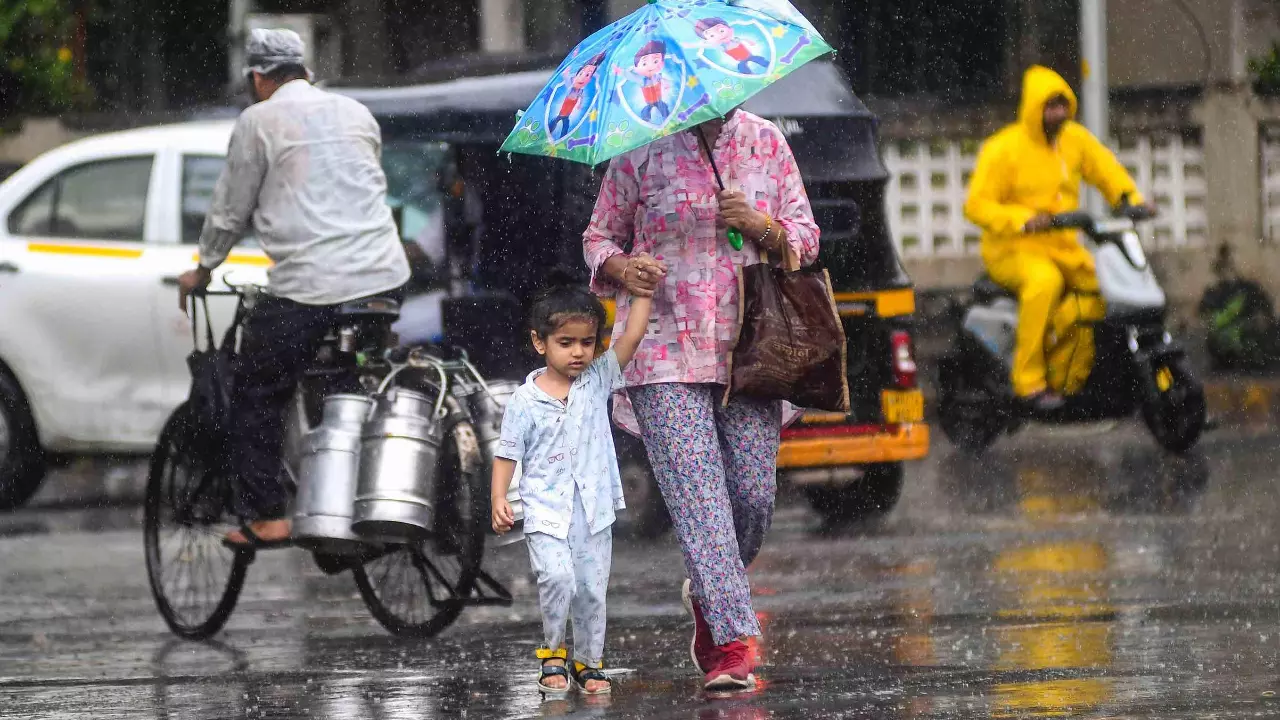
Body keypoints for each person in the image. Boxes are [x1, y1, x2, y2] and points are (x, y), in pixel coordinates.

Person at [583, 107, 820, 691]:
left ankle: (710, 587)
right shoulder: (640, 149)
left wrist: (763, 226)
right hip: (664, 350)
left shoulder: (766, 140)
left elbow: (806, 238)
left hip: (752, 349)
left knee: (752, 495)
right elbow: (598, 236)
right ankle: (732, 646)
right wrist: (621, 265)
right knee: (700, 500)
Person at [176, 28, 411, 548]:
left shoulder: (258, 121)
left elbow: (230, 209)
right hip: (383, 280)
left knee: (257, 391)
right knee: (348, 384)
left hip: (310, 285)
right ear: (305, 69)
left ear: (258, 78)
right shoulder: (356, 112)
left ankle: (267, 516)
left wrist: (204, 268)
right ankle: (351, 499)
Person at [489, 271, 653, 695]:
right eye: (566, 343)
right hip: (545, 509)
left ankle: (589, 662)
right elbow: (507, 452)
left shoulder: (597, 380)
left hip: (593, 506)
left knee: (592, 590)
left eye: (587, 342)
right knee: (557, 579)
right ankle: (552, 652)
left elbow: (630, 339)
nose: (578, 352)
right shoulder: (524, 401)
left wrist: (641, 296)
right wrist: (498, 499)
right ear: (539, 342)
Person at [965, 65, 1154, 412]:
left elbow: (1106, 169)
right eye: (1050, 106)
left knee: (1108, 287)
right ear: (1034, 107)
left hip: (1063, 246)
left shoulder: (1075, 140)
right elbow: (976, 206)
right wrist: (1022, 220)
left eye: (1063, 105)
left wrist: (1130, 200)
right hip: (1012, 249)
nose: (1058, 113)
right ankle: (1028, 382)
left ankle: (1073, 370)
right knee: (1045, 283)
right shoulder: (1003, 149)